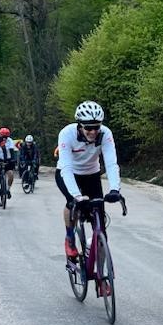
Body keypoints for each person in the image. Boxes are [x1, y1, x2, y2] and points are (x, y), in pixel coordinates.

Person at [56, 101, 122, 259]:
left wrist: (115, 189)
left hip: (92, 174)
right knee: (72, 203)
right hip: (68, 173)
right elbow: (66, 167)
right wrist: (76, 196)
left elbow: (111, 163)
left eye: (96, 127)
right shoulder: (67, 134)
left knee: (100, 225)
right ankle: (70, 238)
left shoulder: (105, 134)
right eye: (88, 128)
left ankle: (101, 271)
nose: (93, 132)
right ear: (80, 125)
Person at [0, 127, 16, 196]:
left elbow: (12, 151)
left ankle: (8, 189)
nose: (4, 138)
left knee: (11, 174)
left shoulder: (10, 141)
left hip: (8, 159)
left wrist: (13, 159)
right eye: (2, 137)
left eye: (5, 137)